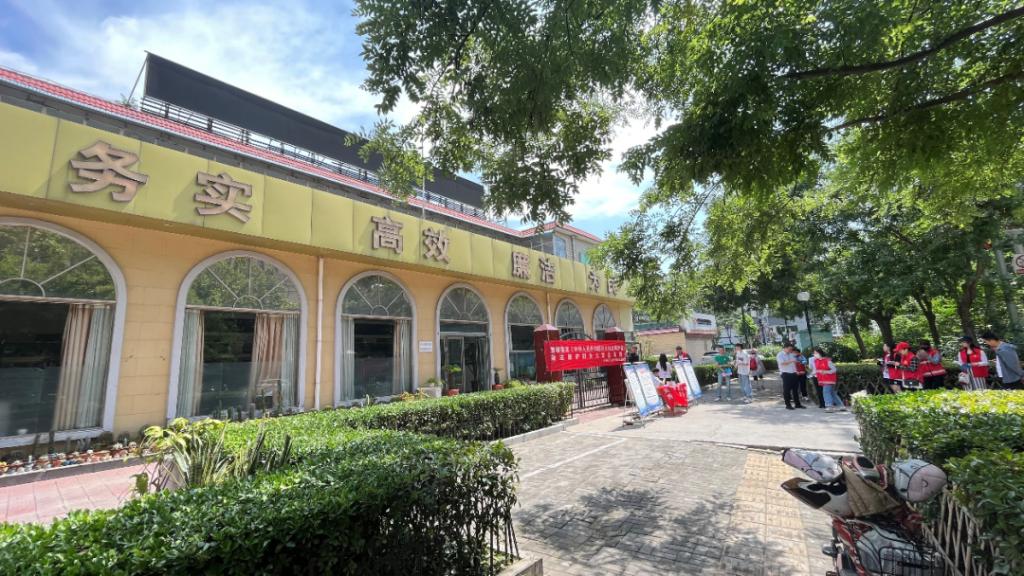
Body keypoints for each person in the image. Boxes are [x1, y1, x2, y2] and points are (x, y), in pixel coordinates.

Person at [812, 348, 845, 413]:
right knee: (832, 393)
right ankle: (841, 406)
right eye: (814, 353)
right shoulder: (816, 361)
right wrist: (814, 373)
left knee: (826, 392)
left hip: (829, 379)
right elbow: (817, 369)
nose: (814, 354)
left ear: (820, 353)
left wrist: (826, 372)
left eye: (816, 353)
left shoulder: (827, 361)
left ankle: (829, 406)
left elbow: (834, 369)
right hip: (822, 379)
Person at [777, 344, 806, 410]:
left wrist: (797, 371)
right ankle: (788, 405)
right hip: (786, 373)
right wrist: (791, 361)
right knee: (787, 390)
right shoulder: (780, 355)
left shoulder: (791, 354)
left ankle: (797, 404)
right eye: (789, 349)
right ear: (785, 348)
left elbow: (795, 363)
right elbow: (782, 363)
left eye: (791, 349)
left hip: (794, 373)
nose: (791, 350)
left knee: (795, 389)